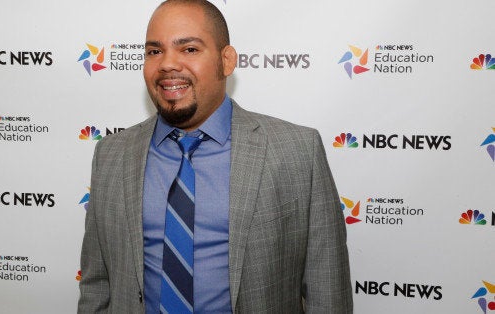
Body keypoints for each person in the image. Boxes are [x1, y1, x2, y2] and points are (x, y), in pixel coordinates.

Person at [78, 0, 353, 313]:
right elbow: (96, 285)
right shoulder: (111, 155)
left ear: (227, 60)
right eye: (155, 51)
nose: (168, 63)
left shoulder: (297, 151)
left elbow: (327, 289)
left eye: (189, 49)